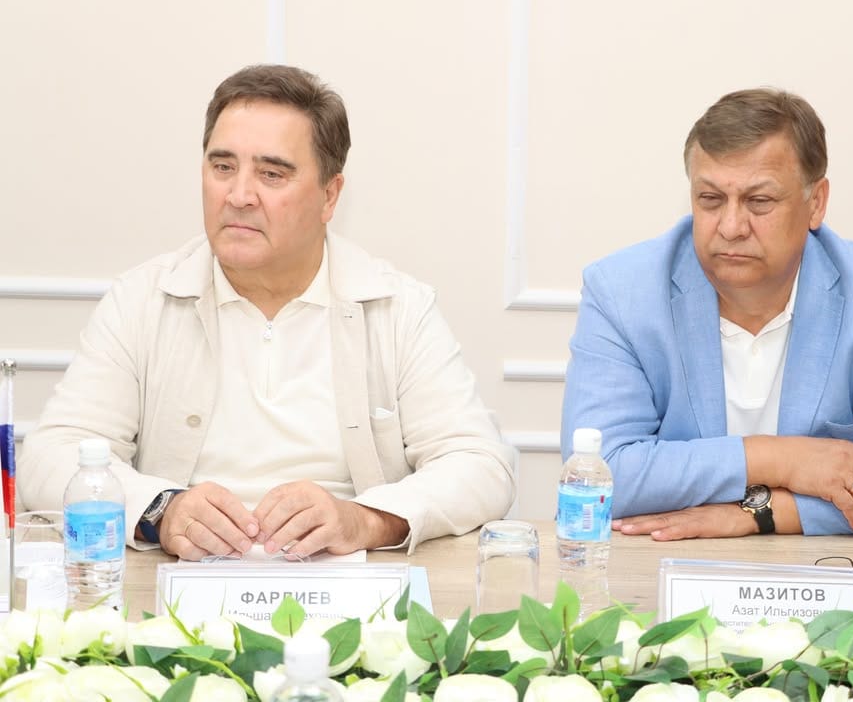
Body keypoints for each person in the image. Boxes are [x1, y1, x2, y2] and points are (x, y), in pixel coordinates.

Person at [20, 65, 515, 560]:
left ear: (329, 196)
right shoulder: (141, 299)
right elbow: (51, 457)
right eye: (222, 167)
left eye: (272, 174)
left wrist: (364, 519)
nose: (238, 196)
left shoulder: (398, 307)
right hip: (184, 579)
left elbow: (480, 465)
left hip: (345, 580)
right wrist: (161, 511)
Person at [561, 88, 853, 540]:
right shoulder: (622, 293)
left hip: (817, 573)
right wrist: (781, 459)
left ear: (816, 203)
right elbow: (601, 475)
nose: (731, 227)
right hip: (661, 568)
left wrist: (758, 513)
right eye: (710, 199)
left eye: (759, 202)